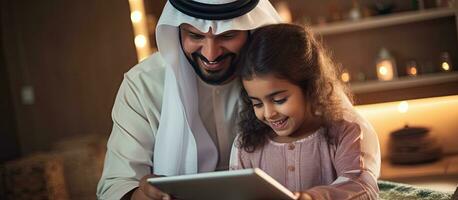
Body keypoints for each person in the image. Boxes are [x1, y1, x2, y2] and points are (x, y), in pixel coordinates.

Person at [96, 0, 283, 199]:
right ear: (178, 31)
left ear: (251, 30)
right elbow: (115, 187)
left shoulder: (283, 79)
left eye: (227, 35)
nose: (211, 54)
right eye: (195, 35)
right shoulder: (143, 85)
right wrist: (145, 195)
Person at [230, 23, 380, 200]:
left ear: (310, 87)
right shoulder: (245, 146)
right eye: (257, 104)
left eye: (279, 100)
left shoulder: (344, 134)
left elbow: (363, 187)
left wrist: (311, 197)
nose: (269, 113)